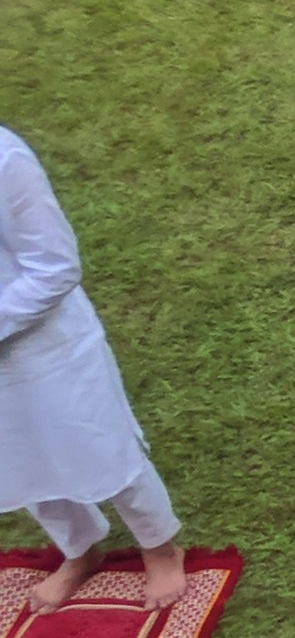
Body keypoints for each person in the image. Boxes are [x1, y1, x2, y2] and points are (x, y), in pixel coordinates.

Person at [0, 127, 185, 611]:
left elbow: (54, 266)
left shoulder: (5, 160)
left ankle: (160, 547)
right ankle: (80, 551)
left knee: (98, 446)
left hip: (45, 344)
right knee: (21, 460)